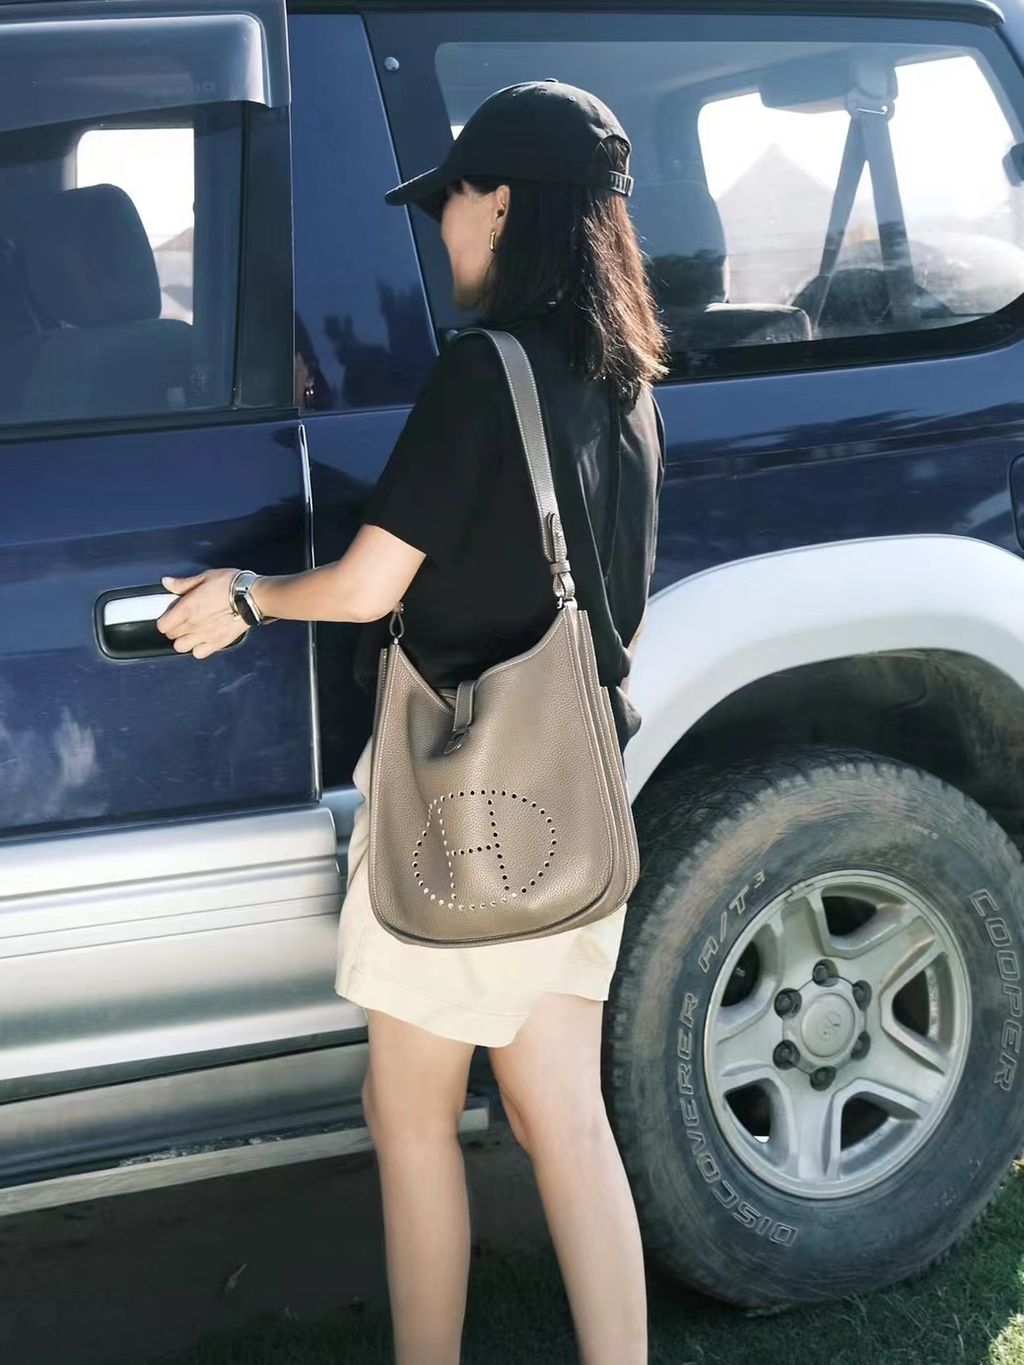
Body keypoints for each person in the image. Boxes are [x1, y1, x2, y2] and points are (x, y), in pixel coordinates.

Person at [156, 78, 667, 1365]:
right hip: (577, 796)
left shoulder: (482, 373)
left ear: (501, 203)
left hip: (461, 813)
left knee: (410, 1116)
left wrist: (248, 598)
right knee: (565, 1119)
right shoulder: (626, 380)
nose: (441, 227)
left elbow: (371, 584)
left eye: (450, 199)